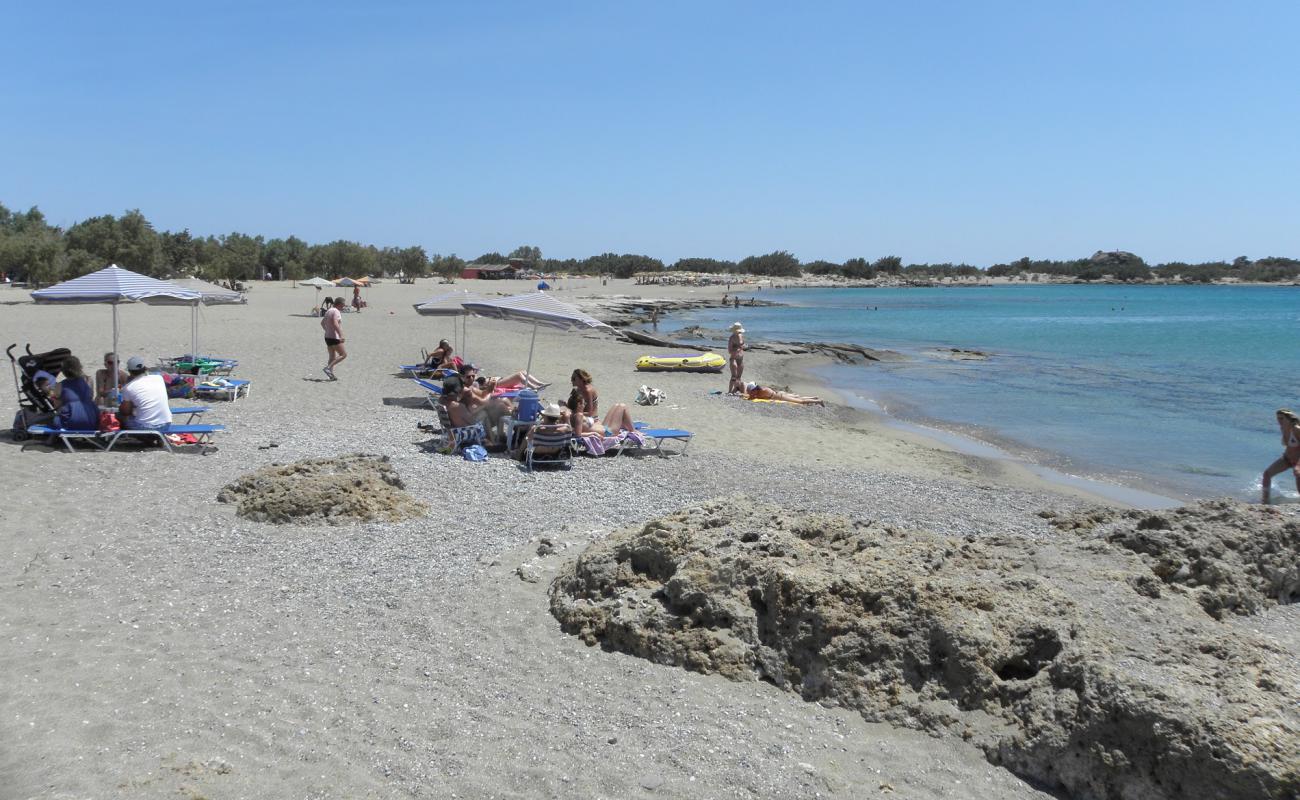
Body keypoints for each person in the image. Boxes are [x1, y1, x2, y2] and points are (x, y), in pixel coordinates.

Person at [567, 368, 635, 436]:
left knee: (617, 405)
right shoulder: (579, 416)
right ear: (579, 405)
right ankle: (633, 431)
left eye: (574, 378)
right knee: (622, 406)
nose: (584, 404)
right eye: (583, 403)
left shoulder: (571, 415)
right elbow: (578, 434)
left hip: (602, 428)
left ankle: (627, 426)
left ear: (581, 379)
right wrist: (593, 433)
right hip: (608, 432)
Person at [117, 356, 173, 430]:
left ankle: (134, 439)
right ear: (145, 368)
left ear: (130, 371)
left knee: (120, 417)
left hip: (145, 427)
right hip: (166, 424)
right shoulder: (159, 378)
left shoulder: (129, 387)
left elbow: (126, 412)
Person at [1261, 408, 1300, 503]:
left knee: (1298, 475)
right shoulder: (1283, 429)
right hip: (1287, 459)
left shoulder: (1297, 429)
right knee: (1267, 474)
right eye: (1278, 418)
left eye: (1282, 418)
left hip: (1298, 461)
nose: (1279, 421)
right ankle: (1265, 501)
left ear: (1289, 418)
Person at [56, 357, 97, 430]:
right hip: (91, 420)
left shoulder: (60, 385)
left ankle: (52, 439)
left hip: (70, 422)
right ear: (80, 367)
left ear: (63, 371)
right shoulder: (88, 380)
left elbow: (57, 405)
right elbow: (91, 397)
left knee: (56, 418)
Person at [459, 362, 546, 391]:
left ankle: (539, 383)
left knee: (523, 371)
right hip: (497, 384)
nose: (472, 375)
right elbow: (483, 387)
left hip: (499, 380)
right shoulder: (473, 382)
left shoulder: (474, 376)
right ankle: (533, 387)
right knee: (519, 375)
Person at [321, 296, 346, 380]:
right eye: (343, 305)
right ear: (339, 304)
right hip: (334, 337)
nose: (344, 307)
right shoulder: (336, 311)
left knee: (332, 356)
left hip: (327, 336)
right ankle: (328, 368)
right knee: (343, 354)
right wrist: (341, 335)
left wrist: (327, 330)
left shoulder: (329, 310)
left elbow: (322, 323)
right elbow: (335, 323)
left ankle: (330, 375)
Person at [745, 381, 825, 406]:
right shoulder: (759, 391)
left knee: (801, 401)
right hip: (779, 395)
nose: (751, 392)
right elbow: (751, 396)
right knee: (799, 399)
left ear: (755, 389)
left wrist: (748, 397)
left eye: (751, 390)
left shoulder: (762, 391)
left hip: (780, 397)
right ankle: (814, 398)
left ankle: (818, 401)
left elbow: (751, 397)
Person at [727, 322, 746, 394]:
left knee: (739, 376)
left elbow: (743, 344)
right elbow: (729, 350)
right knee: (734, 376)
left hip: (741, 357)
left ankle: (735, 390)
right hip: (733, 358)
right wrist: (736, 349)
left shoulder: (741, 335)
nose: (738, 332)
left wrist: (743, 346)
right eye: (737, 331)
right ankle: (729, 391)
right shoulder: (731, 338)